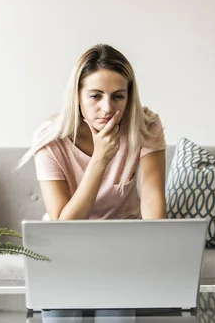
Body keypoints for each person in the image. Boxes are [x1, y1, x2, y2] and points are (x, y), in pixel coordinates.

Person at [18, 43, 167, 221]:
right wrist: (100, 158)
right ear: (78, 97)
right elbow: (62, 225)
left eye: (118, 96)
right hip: (71, 238)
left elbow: (153, 201)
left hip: (126, 234)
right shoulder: (49, 139)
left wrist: (154, 245)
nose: (107, 108)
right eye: (95, 96)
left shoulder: (145, 125)